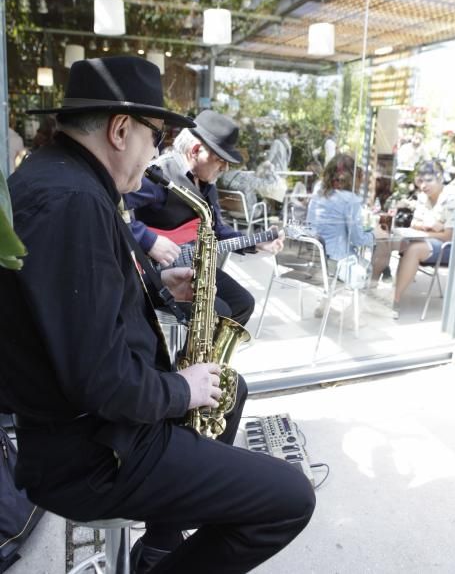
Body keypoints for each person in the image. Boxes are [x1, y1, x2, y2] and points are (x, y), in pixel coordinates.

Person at [0, 57, 314, 574]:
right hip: (94, 454)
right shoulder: (72, 202)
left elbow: (81, 305)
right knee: (290, 499)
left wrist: (155, 282)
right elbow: (100, 382)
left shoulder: (67, 179)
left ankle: (161, 545)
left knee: (228, 389)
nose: (158, 152)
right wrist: (180, 390)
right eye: (157, 136)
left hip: (91, 432)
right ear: (121, 130)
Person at [126, 109, 284, 327]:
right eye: (221, 159)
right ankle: (183, 358)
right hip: (154, 276)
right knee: (219, 312)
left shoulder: (207, 185)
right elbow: (114, 208)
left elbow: (217, 230)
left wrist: (256, 243)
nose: (225, 168)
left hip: (194, 267)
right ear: (196, 150)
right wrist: (148, 240)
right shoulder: (159, 175)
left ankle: (206, 357)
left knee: (243, 304)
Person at [306, 154, 391, 309]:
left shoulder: (319, 191)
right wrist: (375, 235)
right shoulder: (349, 199)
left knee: (350, 258)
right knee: (367, 268)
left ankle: (323, 306)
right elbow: (358, 240)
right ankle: (354, 315)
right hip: (335, 263)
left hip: (314, 258)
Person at [392, 159, 455, 320]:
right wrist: (431, 225)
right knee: (389, 241)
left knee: (414, 248)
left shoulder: (452, 198)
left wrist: (426, 231)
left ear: (440, 177)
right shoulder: (423, 197)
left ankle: (393, 300)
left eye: (428, 180)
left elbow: (449, 236)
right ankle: (371, 289)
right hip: (429, 241)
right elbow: (414, 223)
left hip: (449, 248)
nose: (423, 185)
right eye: (420, 181)